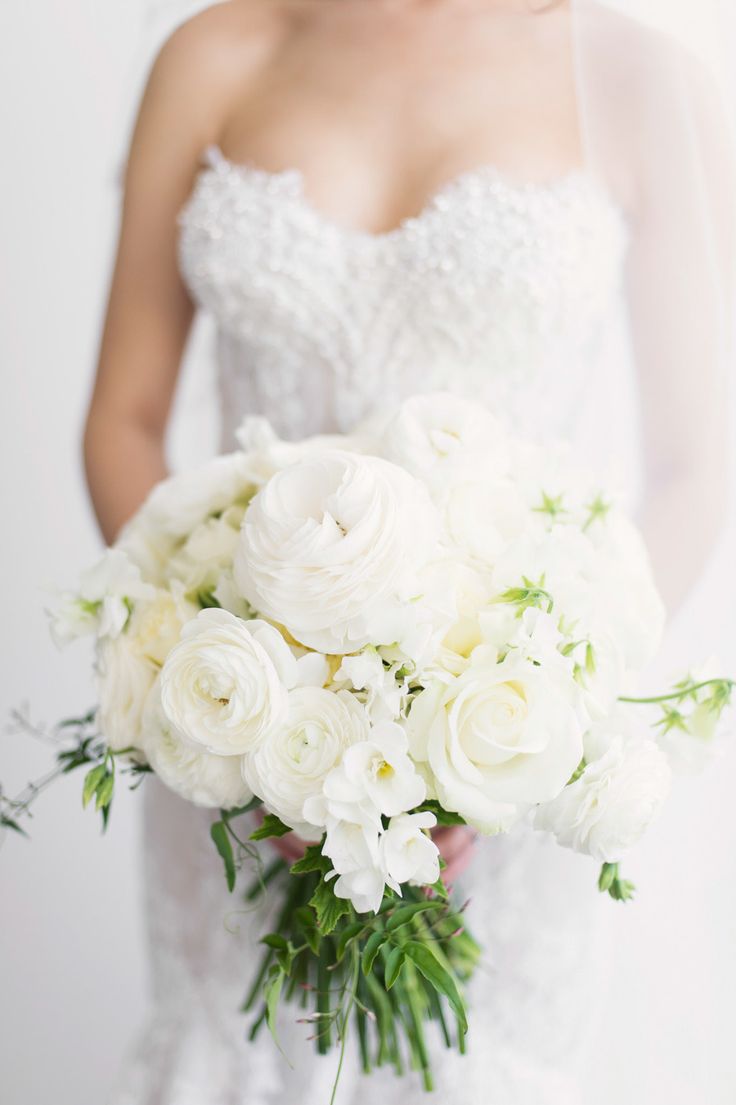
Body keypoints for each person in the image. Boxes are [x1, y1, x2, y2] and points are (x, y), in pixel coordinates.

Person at [82, 1, 733, 1101]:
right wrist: (239, 710)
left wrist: (532, 724)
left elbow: (697, 461)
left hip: (517, 759)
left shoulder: (630, 70)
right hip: (244, 741)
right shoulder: (213, 52)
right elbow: (124, 418)